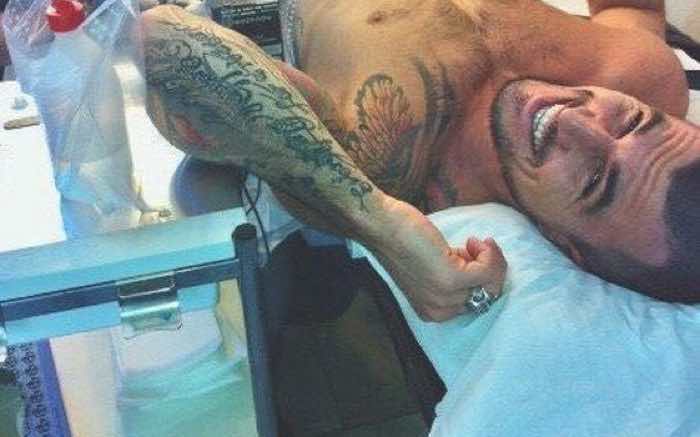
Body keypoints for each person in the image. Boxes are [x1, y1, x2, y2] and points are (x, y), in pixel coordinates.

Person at [140, 0, 698, 322]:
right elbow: (630, 9)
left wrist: (381, 225)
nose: (573, 118)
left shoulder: (384, 163)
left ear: (565, 246)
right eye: (633, 122)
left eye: (594, 179)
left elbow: (161, 40)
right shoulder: (645, 78)